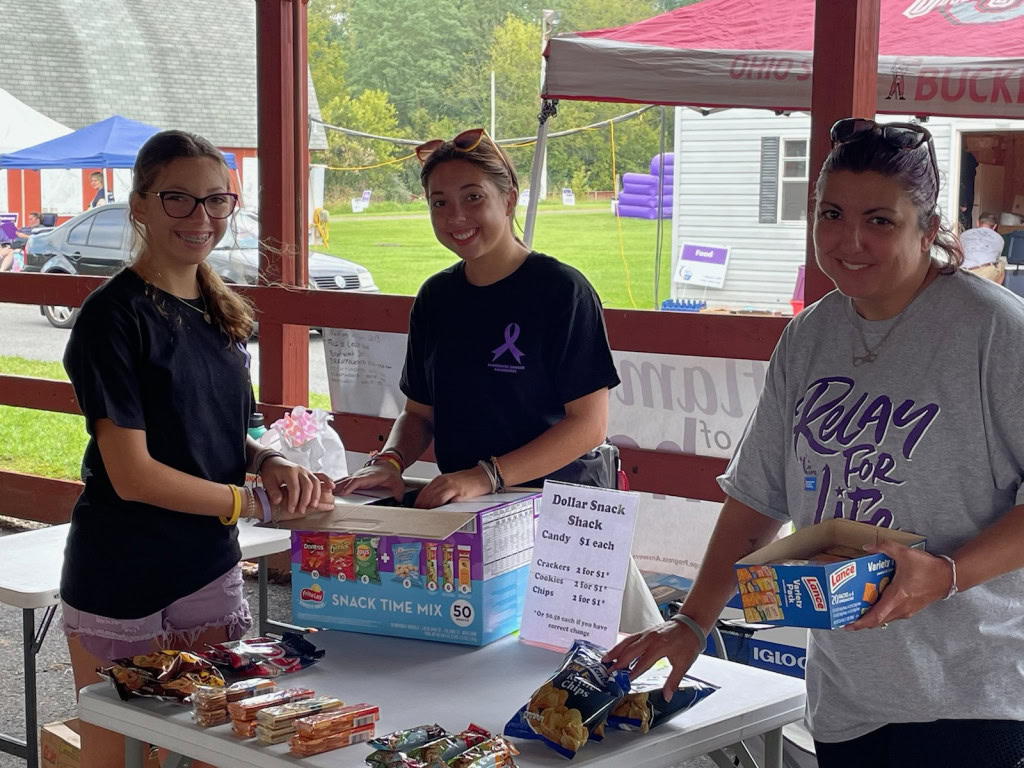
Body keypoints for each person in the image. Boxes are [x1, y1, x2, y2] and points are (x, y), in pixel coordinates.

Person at [605, 118, 1024, 768]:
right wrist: (690, 623)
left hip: (971, 699)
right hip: (846, 697)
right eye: (831, 213)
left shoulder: (993, 332)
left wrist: (947, 575)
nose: (848, 240)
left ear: (927, 224)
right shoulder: (809, 337)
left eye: (879, 220)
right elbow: (755, 499)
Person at [61, 129, 335, 768]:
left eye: (217, 201)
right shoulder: (113, 316)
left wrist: (269, 460)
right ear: (140, 205)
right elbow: (131, 474)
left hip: (205, 570)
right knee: (117, 754)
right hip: (121, 575)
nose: (201, 217)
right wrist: (251, 502)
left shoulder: (220, 311)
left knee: (214, 746)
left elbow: (212, 429)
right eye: (179, 199)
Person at [335, 128, 659, 630]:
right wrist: (392, 461)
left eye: (473, 198)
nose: (455, 217)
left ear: (508, 199)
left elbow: (588, 426)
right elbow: (419, 413)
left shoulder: (561, 291)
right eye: (439, 202)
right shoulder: (436, 298)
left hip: (563, 518)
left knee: (569, 676)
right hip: (471, 520)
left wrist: (485, 475)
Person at [960, 211, 1006, 284]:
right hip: (985, 273)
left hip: (963, 272)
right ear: (994, 226)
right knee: (1001, 264)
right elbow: (995, 260)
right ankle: (993, 292)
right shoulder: (999, 238)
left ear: (977, 223)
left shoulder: (964, 234)